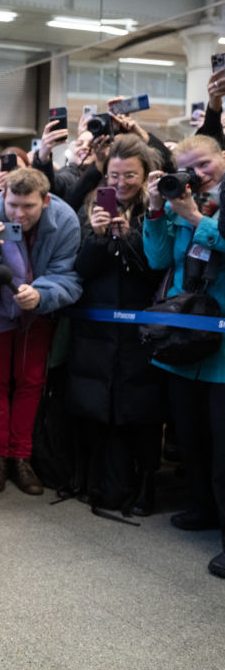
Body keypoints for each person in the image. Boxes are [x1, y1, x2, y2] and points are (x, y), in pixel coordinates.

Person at [0, 168, 82, 494]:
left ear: (46, 200)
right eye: (13, 205)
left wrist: (42, 295)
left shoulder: (65, 220)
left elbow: (68, 275)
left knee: (31, 382)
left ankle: (21, 457)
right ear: (3, 197)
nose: (18, 214)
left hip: (39, 312)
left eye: (28, 207)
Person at [65, 135, 166, 514]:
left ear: (146, 175)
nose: (120, 183)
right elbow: (80, 271)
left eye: (130, 175)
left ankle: (145, 483)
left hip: (142, 328)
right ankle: (103, 482)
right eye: (113, 175)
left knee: (142, 411)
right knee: (98, 408)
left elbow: (156, 268)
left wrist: (130, 237)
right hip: (96, 329)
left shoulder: (157, 210)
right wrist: (97, 236)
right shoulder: (90, 209)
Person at [144, 134, 225, 579]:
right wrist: (157, 210)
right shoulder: (179, 197)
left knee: (223, 447)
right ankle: (202, 508)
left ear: (222, 157)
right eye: (188, 167)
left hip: (222, 347)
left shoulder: (201, 205)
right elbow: (159, 260)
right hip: (184, 339)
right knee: (190, 436)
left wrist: (196, 218)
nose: (197, 173)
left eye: (204, 164)